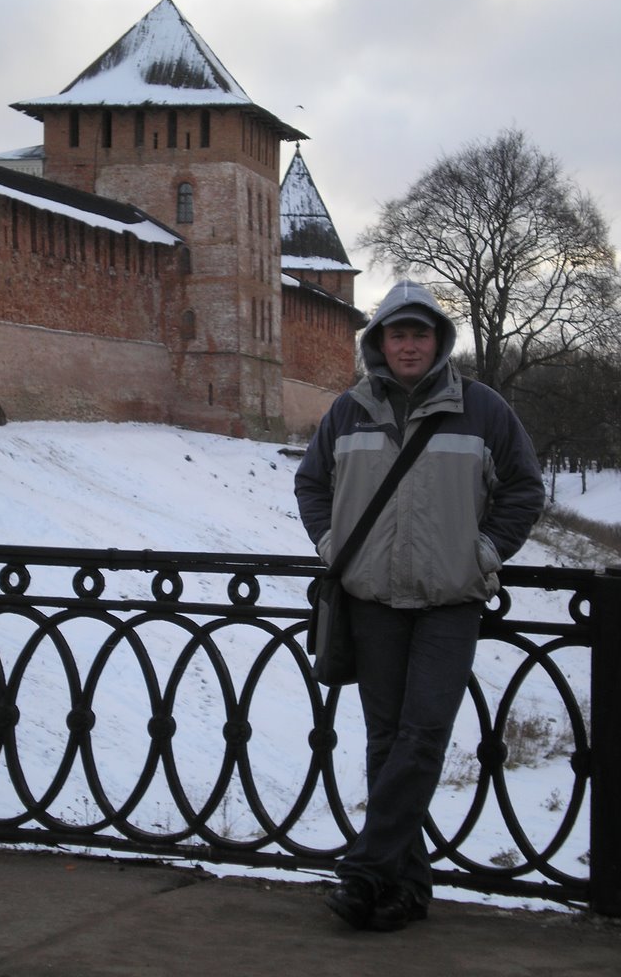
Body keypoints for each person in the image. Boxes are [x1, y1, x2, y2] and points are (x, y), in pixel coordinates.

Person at [294, 279, 544, 933]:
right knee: (385, 738)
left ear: (438, 341)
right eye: (396, 334)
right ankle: (401, 892)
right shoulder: (348, 412)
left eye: (419, 333)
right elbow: (312, 484)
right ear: (379, 343)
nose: (408, 345)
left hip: (448, 602)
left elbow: (523, 488)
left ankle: (366, 866)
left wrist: (482, 554)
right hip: (372, 600)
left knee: (424, 732)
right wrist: (332, 544)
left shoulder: (483, 410)